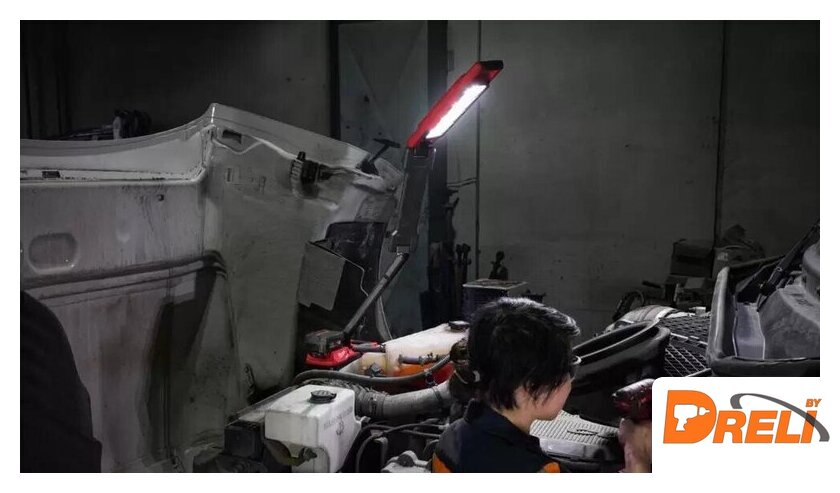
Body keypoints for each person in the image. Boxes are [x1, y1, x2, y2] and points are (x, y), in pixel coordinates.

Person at [431, 297, 652, 473]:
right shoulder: (542, 472)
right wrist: (637, 455)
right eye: (569, 367)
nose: (571, 379)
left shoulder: (449, 439)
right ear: (531, 386)